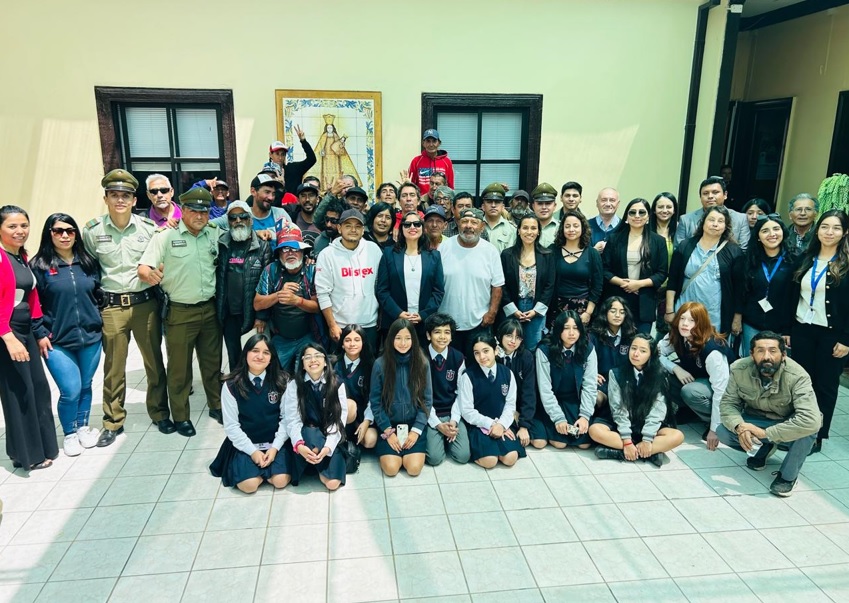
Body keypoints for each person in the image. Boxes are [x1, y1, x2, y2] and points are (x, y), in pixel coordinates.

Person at [82, 169, 169, 445]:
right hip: (112, 308)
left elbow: (161, 261)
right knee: (114, 367)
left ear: (134, 200)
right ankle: (113, 421)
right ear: (106, 199)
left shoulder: (148, 229)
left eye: (125, 196)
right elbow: (90, 269)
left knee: (154, 362)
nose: (120, 200)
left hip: (144, 304)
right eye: (114, 195)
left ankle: (159, 413)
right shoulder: (93, 231)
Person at [138, 187, 223, 436]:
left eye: (204, 211)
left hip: (209, 309)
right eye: (194, 211)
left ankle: (217, 405)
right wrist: (149, 275)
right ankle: (181, 416)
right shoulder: (165, 236)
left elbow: (240, 226)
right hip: (180, 311)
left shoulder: (214, 233)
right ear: (182, 210)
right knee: (179, 369)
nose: (200, 216)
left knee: (212, 364)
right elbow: (143, 268)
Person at [31, 213, 103, 456]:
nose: (64, 235)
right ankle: (70, 433)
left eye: (70, 231)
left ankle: (82, 427)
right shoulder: (39, 266)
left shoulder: (88, 262)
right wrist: (40, 333)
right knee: (70, 389)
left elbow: (98, 294)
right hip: (56, 341)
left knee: (86, 385)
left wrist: (98, 321)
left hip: (90, 338)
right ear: (49, 234)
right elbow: (33, 305)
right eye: (58, 231)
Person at [718, 331, 821, 496]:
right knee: (723, 431)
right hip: (756, 419)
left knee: (809, 428)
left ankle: (787, 477)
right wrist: (740, 426)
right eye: (760, 351)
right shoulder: (738, 369)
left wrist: (766, 433)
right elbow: (728, 404)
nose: (767, 356)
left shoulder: (798, 376)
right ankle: (763, 449)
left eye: (773, 351)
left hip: (785, 424)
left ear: (783, 354)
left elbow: (810, 420)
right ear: (751, 354)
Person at [0, 206, 58, 470]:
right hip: (8, 333)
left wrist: (39, 333)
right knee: (19, 392)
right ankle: (27, 455)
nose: (20, 231)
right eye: (12, 226)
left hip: (26, 331)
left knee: (38, 387)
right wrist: (7, 336)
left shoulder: (21, 256)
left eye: (24, 225)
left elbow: (31, 297)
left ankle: (42, 447)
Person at [789, 209, 849, 454]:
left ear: (845, 232)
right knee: (802, 383)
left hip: (832, 335)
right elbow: (792, 296)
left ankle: (817, 434)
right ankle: (798, 428)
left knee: (825, 386)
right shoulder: (805, 258)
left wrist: (846, 339)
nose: (829, 232)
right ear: (817, 230)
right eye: (825, 226)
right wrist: (788, 329)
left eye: (836, 228)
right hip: (803, 330)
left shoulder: (846, 265)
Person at [209, 334, 293, 493]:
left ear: (271, 358)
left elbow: (287, 419)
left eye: (266, 353)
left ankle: (266, 471)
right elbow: (231, 426)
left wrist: (275, 448)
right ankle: (257, 472)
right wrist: (253, 452)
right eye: (255, 351)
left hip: (275, 442)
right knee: (249, 485)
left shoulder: (282, 381)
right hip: (246, 443)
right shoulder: (231, 385)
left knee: (280, 481)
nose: (260, 356)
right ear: (246, 353)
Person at [590, 333, 684, 466]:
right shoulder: (616, 373)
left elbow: (658, 410)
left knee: (677, 436)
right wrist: (627, 440)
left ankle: (621, 452)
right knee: (595, 430)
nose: (636, 354)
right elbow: (618, 409)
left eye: (643, 351)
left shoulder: (660, 375)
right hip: (621, 422)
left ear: (651, 354)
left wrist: (647, 438)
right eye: (633, 348)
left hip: (646, 421)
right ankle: (648, 453)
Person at [659, 302, 731, 451]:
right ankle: (689, 411)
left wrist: (715, 430)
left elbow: (721, 392)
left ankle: (718, 422)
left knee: (690, 391)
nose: (685, 324)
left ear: (701, 323)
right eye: (682, 318)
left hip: (723, 391)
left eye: (692, 320)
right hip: (697, 379)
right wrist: (675, 368)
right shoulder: (677, 334)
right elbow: (655, 353)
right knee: (661, 374)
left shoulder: (713, 351)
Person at [370, 319, 433, 477]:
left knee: (413, 469)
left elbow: (427, 400)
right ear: (391, 339)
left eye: (407, 338)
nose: (403, 343)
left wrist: (416, 431)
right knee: (391, 469)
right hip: (389, 425)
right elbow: (375, 402)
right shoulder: (380, 364)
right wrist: (388, 431)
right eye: (398, 338)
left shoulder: (422, 363)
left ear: (414, 339)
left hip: (413, 425)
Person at [666, 205, 742, 335]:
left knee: (710, 345)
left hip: (714, 314)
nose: (715, 224)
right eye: (711, 220)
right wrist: (669, 310)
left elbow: (739, 288)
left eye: (720, 221)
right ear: (703, 222)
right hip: (684, 309)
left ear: (726, 226)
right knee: (681, 343)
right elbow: (672, 280)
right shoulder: (686, 245)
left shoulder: (734, 251)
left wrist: (737, 317)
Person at [438, 208, 504, 354]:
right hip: (446, 324)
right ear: (458, 224)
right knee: (450, 364)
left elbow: (497, 286)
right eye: (464, 221)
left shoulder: (490, 251)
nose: (469, 226)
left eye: (474, 222)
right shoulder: (444, 248)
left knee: (478, 363)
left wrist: (491, 313)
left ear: (482, 227)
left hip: (479, 322)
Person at [216, 201, 273, 371]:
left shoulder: (262, 246)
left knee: (256, 356)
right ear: (228, 222)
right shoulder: (221, 244)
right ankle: (236, 384)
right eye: (233, 218)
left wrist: (262, 316)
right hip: (228, 314)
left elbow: (267, 283)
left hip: (253, 313)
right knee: (234, 356)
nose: (238, 221)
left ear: (250, 220)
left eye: (243, 216)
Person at [254, 225, 319, 371]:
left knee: (306, 374)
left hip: (307, 336)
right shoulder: (271, 270)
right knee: (274, 374)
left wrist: (297, 301)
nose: (290, 253)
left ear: (303, 252)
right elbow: (257, 304)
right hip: (280, 338)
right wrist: (279, 295)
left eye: (295, 249)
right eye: (285, 249)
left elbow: (318, 307)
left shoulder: (312, 270)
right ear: (279, 254)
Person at [315, 209, 382, 349]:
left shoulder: (374, 250)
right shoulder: (327, 255)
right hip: (341, 325)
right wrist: (332, 325)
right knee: (341, 362)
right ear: (339, 228)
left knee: (369, 361)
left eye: (357, 226)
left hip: (369, 323)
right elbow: (323, 293)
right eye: (348, 226)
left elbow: (382, 285)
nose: (353, 230)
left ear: (363, 230)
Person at [457, 331, 525, 468]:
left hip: (502, 423)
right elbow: (467, 411)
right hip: (479, 425)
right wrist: (491, 424)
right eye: (477, 353)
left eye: (486, 351)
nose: (482, 357)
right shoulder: (468, 376)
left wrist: (502, 425)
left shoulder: (507, 373)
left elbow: (510, 405)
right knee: (490, 461)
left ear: (496, 350)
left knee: (510, 458)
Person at [285, 342, 348, 490]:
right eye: (307, 357)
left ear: (325, 361)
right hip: (308, 433)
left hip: (330, 433)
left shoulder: (337, 383)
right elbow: (292, 420)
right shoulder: (294, 385)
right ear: (302, 364)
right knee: (311, 441)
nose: (313, 360)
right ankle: (312, 460)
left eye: (318, 356)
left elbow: (339, 419)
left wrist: (327, 448)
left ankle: (315, 464)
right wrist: (299, 445)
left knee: (332, 484)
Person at [532, 311, 598, 449]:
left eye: (576, 328)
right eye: (566, 328)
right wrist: (558, 418)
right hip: (551, 401)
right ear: (558, 329)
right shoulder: (544, 349)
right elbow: (545, 389)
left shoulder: (588, 348)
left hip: (574, 400)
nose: (572, 333)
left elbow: (590, 385)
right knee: (560, 443)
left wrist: (585, 416)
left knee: (584, 444)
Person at [731, 214, 796, 354]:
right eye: (765, 231)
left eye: (776, 229)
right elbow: (740, 292)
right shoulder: (747, 260)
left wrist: (788, 329)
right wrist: (737, 318)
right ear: (758, 237)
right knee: (751, 360)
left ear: (783, 232)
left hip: (782, 326)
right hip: (752, 323)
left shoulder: (794, 261)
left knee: (776, 362)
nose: (772, 234)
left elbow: (794, 298)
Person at [376, 211, 445, 342]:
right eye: (407, 224)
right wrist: (398, 313)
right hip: (395, 321)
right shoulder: (389, 253)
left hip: (424, 322)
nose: (412, 227)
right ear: (401, 228)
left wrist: (423, 314)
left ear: (423, 228)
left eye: (417, 224)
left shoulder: (434, 256)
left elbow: (438, 291)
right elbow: (382, 290)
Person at [602, 198, 669, 333]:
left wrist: (638, 284)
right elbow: (604, 269)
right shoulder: (614, 239)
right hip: (617, 300)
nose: (637, 216)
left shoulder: (659, 241)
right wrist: (623, 283)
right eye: (632, 212)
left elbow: (662, 273)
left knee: (641, 342)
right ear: (627, 217)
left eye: (641, 212)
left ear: (648, 217)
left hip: (645, 302)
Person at [499, 214, 554, 352]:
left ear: (539, 231)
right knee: (509, 347)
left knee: (533, 348)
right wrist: (513, 310)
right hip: (513, 307)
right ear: (518, 230)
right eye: (525, 228)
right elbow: (501, 284)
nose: (529, 232)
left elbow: (550, 285)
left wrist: (536, 311)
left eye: (533, 228)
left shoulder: (547, 255)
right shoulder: (507, 255)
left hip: (535, 308)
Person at [423, 313, 470, 466]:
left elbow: (460, 394)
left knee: (463, 456)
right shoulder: (420, 357)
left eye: (447, 332)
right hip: (429, 413)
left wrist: (454, 421)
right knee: (434, 459)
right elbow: (419, 397)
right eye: (437, 332)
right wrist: (437, 424)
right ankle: (439, 436)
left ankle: (446, 434)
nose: (442, 337)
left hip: (452, 412)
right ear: (428, 335)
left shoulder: (458, 358)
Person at [551, 210, 603, 327]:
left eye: (576, 226)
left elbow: (597, 286)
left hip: (583, 308)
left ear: (583, 228)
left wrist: (588, 312)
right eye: (567, 226)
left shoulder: (592, 253)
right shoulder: (553, 251)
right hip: (556, 307)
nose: (571, 230)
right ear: (562, 229)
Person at [589, 296, 636, 424]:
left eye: (622, 312)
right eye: (613, 311)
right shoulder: (593, 336)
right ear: (605, 313)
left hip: (624, 382)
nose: (617, 315)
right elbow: (583, 361)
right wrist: (591, 374)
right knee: (595, 398)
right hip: (602, 382)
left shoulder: (631, 336)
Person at [675, 176, 750, 250]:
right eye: (705, 193)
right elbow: (678, 249)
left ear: (725, 195)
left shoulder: (741, 219)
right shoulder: (686, 220)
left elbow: (743, 250)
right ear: (700, 197)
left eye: (715, 192)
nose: (710, 196)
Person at [334, 324, 377, 449]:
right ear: (342, 344)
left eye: (357, 340)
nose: (352, 344)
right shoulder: (333, 364)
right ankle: (342, 438)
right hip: (340, 414)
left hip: (362, 414)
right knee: (350, 405)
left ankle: (352, 439)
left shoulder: (371, 366)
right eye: (347, 340)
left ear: (363, 342)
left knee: (370, 440)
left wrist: (366, 421)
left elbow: (374, 397)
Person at [496, 319, 537, 448]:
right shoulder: (491, 355)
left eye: (518, 337)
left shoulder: (525, 356)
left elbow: (529, 392)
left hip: (518, 408)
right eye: (509, 335)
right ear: (500, 335)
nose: (513, 341)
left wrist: (524, 425)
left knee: (539, 441)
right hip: (495, 409)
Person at [649, 192, 678, 335]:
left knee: (664, 329)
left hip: (670, 288)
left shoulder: (680, 231)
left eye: (669, 207)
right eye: (660, 207)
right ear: (654, 210)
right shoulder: (646, 230)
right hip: (649, 285)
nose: (664, 210)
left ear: (674, 210)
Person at [270, 127, 318, 196]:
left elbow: (311, 159)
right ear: (271, 155)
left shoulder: (293, 169)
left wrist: (303, 141)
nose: (280, 157)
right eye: (277, 154)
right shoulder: (266, 173)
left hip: (294, 202)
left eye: (282, 154)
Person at [408, 129, 454, 197]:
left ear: (439, 143)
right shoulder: (416, 161)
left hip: (441, 200)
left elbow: (450, 186)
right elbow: (411, 184)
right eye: (428, 141)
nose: (431, 144)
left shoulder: (447, 162)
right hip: (422, 200)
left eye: (434, 141)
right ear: (423, 143)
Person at [481, 183, 517, 252]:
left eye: (497, 202)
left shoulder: (512, 230)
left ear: (503, 207)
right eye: (489, 202)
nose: (493, 205)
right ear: (483, 206)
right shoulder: (475, 226)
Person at [588, 187, 621, 252]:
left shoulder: (625, 227)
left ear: (618, 204)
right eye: (604, 200)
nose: (608, 204)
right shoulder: (585, 226)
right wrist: (594, 251)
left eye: (612, 200)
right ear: (597, 203)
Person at [531, 183, 560, 248]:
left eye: (548, 203)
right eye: (540, 203)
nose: (544, 207)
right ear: (533, 206)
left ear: (554, 206)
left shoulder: (561, 229)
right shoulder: (526, 229)